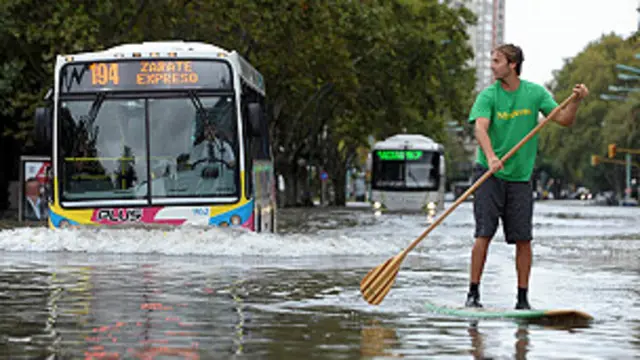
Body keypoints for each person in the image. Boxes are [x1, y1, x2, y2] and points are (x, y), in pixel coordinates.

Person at [465, 44, 589, 310]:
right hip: (489, 174)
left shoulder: (535, 93)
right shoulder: (488, 96)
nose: (492, 66)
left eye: (497, 61)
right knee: (483, 234)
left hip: (520, 178)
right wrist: (491, 157)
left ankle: (522, 299)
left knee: (523, 239)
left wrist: (576, 100)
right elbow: (480, 130)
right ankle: (473, 294)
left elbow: (565, 119)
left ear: (512, 65)